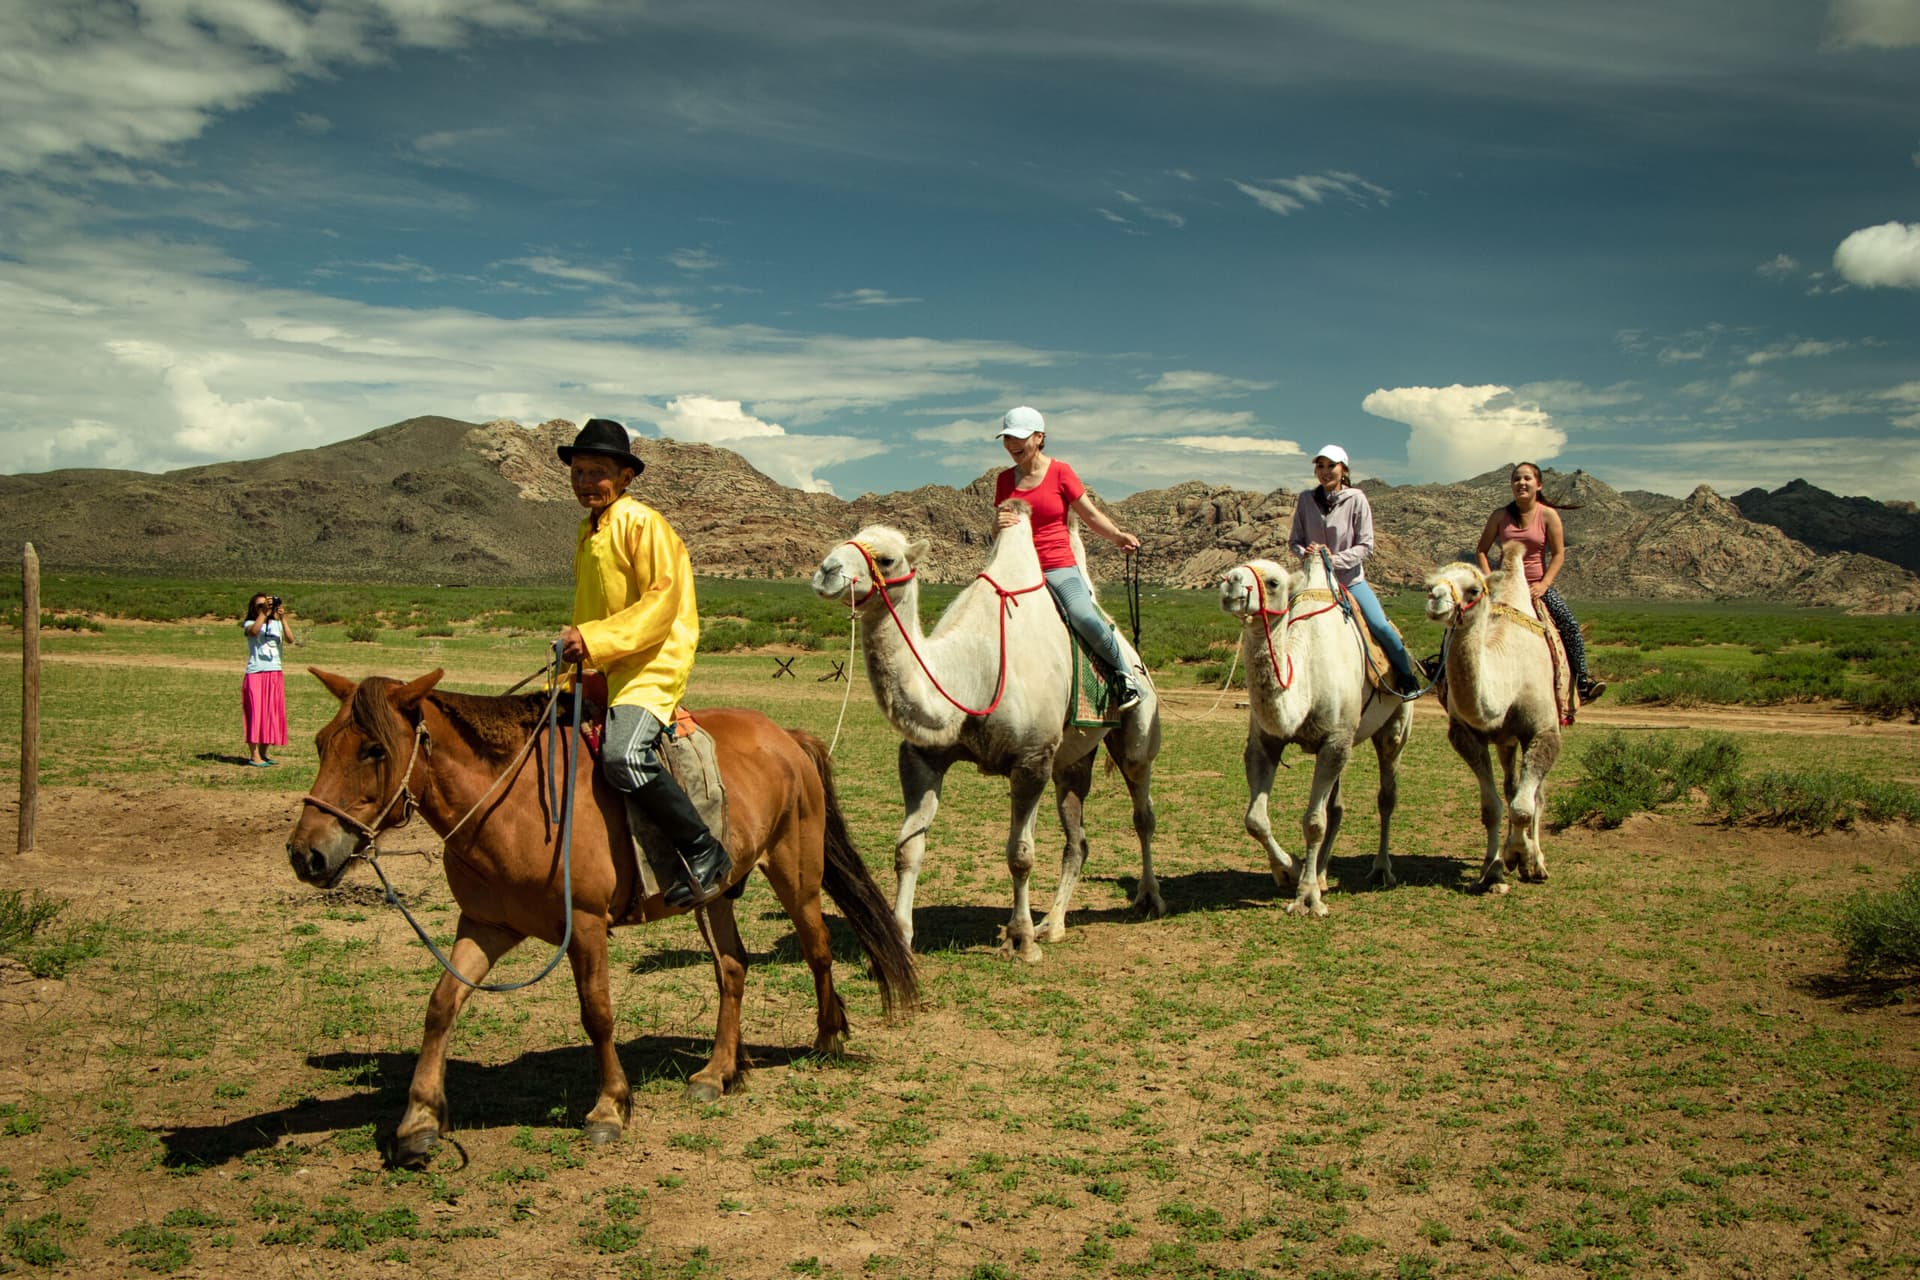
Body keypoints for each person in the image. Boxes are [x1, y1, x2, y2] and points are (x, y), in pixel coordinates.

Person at [554, 417, 731, 909]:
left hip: (650, 664)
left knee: (623, 755)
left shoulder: (642, 523)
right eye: (579, 472)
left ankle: (703, 850)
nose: (587, 482)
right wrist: (576, 655)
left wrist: (590, 639)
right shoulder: (588, 531)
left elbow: (660, 603)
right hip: (603, 663)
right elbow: (593, 608)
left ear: (626, 476)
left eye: (598, 472)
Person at [992, 405, 1144, 711]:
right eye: (1007, 438)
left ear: (1039, 437)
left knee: (1083, 614)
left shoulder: (1061, 472)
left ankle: (1124, 676)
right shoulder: (1004, 481)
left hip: (1057, 565)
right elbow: (1000, 529)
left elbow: (1088, 514)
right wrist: (995, 525)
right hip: (1018, 568)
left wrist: (1117, 536)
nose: (1011, 445)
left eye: (1018, 438)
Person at [1287, 445, 1426, 696]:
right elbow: (1294, 541)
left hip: (1350, 582)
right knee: (1282, 621)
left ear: (1344, 470)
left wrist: (1335, 560)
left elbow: (1366, 546)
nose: (1325, 471)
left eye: (1332, 466)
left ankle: (1406, 675)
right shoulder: (1306, 499)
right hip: (1313, 583)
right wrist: (1304, 552)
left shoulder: (1356, 499)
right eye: (1320, 466)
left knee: (1379, 625)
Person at [1475, 461, 1606, 704]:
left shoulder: (1547, 515)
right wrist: (1489, 582)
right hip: (1504, 587)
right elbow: (1481, 550)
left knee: (1570, 625)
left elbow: (1558, 554)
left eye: (1527, 478)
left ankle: (1583, 683)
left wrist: (1545, 584)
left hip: (1536, 585)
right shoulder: (1500, 516)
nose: (1521, 483)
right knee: (1462, 619)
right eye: (1516, 479)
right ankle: (1441, 673)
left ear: (1538, 484)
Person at [241, 592, 292, 766]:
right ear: (253, 608)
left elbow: (291, 639)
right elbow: (254, 632)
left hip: (275, 672)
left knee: (270, 714)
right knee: (256, 713)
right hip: (256, 673)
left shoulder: (276, 624)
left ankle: (263, 753)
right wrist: (263, 613)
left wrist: (282, 618)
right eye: (259, 605)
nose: (264, 607)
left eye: (266, 604)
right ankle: (254, 755)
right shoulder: (249, 623)